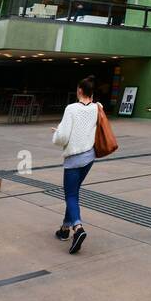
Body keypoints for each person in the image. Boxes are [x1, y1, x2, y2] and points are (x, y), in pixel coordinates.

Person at [51, 76, 101, 254]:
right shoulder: (98, 108)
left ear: (80, 90)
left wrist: (56, 133)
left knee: (71, 196)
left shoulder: (71, 109)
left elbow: (63, 137)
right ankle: (64, 229)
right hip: (89, 157)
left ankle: (78, 228)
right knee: (73, 193)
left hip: (74, 158)